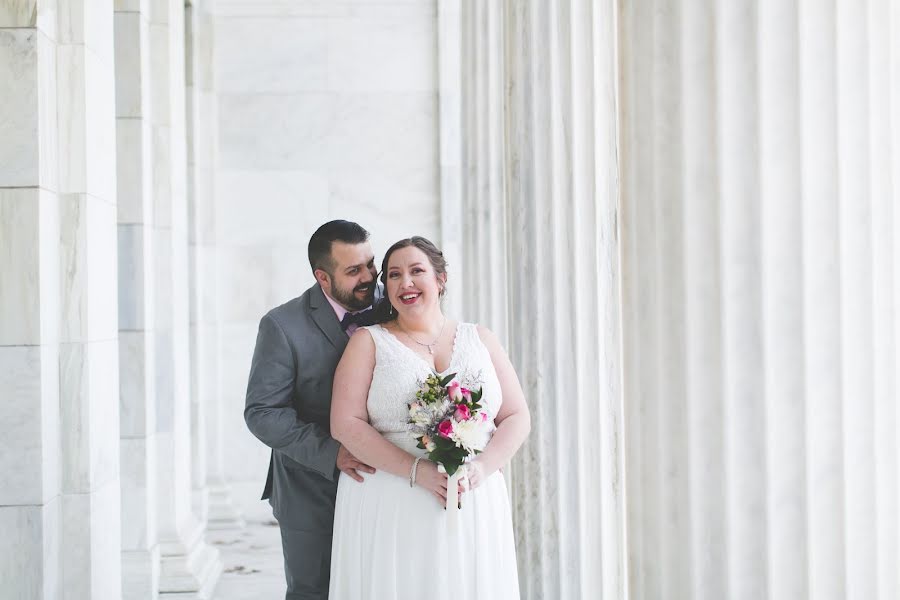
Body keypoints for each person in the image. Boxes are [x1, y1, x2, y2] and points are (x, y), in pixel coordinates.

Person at [329, 236, 531, 599]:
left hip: (474, 498)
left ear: (440, 279)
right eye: (393, 275)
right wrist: (415, 470)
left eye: (416, 271)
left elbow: (517, 415)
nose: (405, 282)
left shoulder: (480, 338)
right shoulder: (368, 341)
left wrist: (483, 467)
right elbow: (345, 423)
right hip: (391, 497)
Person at [244, 220, 382, 600]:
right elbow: (262, 411)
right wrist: (332, 452)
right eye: (354, 270)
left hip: (387, 488)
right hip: (310, 490)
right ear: (323, 277)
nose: (369, 277)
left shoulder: (395, 307)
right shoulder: (281, 325)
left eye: (371, 264)